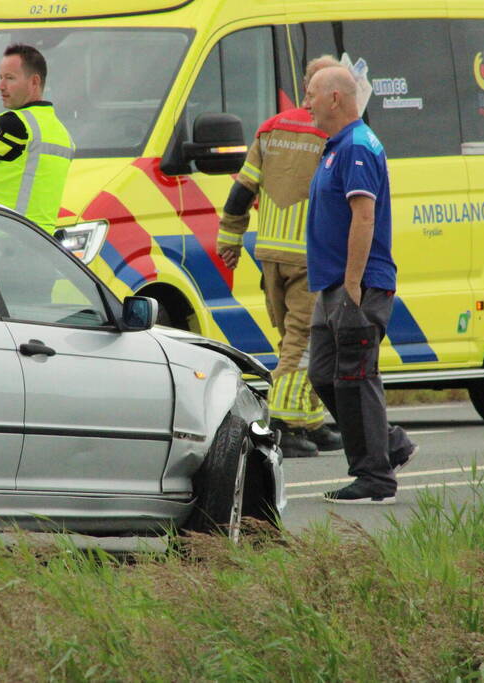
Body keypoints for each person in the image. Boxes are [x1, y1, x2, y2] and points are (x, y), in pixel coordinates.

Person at [215, 55, 342, 458]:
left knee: (292, 337)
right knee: (303, 342)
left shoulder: (271, 129)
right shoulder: (333, 132)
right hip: (311, 254)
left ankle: (310, 420)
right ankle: (282, 424)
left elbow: (242, 189)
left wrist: (230, 240)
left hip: (270, 252)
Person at [304, 66, 415, 504]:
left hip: (358, 284)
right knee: (324, 375)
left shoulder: (358, 147)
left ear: (335, 98)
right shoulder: (335, 147)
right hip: (332, 285)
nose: (306, 102)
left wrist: (353, 283)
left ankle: (375, 477)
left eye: (312, 94)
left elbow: (363, 216)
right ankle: (387, 445)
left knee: (355, 375)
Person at [0, 44, 74, 233]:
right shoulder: (62, 134)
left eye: (9, 78)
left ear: (34, 82)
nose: (0, 86)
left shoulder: (16, 125)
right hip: (38, 241)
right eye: (0, 77)